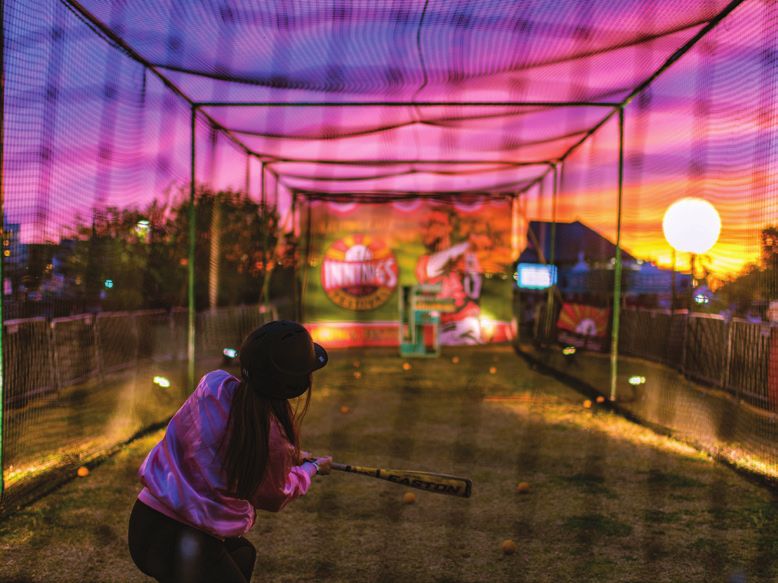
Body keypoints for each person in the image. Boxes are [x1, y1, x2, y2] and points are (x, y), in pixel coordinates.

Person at [128, 320, 332, 583]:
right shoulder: (274, 439)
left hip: (145, 522)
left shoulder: (212, 386)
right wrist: (310, 469)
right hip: (184, 543)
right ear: (295, 384)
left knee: (243, 554)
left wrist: (288, 457)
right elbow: (274, 495)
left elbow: (221, 446)